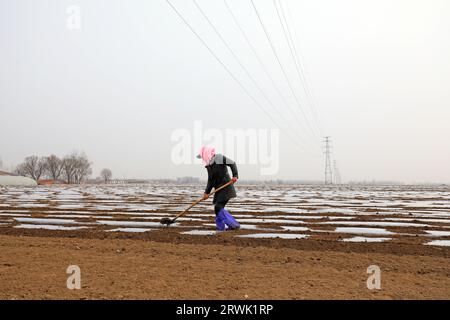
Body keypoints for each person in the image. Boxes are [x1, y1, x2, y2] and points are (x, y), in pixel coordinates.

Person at [197, 146, 240, 231]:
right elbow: (211, 180)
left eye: (202, 156)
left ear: (206, 154)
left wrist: (235, 175)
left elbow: (232, 163)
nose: (202, 158)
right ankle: (220, 228)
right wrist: (206, 192)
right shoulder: (209, 165)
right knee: (218, 208)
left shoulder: (218, 158)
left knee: (218, 207)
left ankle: (233, 225)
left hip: (226, 187)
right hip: (218, 189)